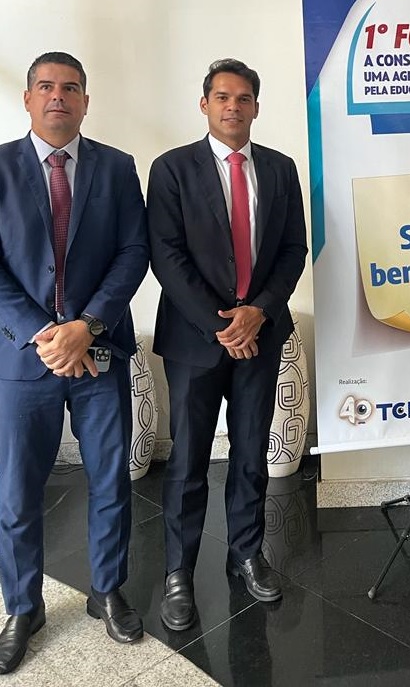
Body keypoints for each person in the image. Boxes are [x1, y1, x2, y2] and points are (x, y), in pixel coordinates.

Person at [0, 52, 149, 675]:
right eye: (46, 86)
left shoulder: (117, 167)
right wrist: (48, 335)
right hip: (24, 357)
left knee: (111, 480)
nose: (57, 96)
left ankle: (106, 590)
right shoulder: (0, 167)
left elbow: (134, 251)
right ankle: (22, 606)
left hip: (100, 352)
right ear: (28, 99)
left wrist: (86, 327)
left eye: (70, 88)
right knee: (16, 491)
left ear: (86, 101)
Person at [147, 58, 307, 631]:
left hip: (260, 335)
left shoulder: (281, 169)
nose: (232, 106)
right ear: (205, 105)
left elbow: (293, 250)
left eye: (243, 98)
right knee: (189, 459)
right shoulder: (172, 169)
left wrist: (258, 313)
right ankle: (178, 573)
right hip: (196, 340)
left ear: (256, 107)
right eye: (222, 97)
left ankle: (246, 553)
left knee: (250, 453)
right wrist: (223, 325)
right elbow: (166, 256)